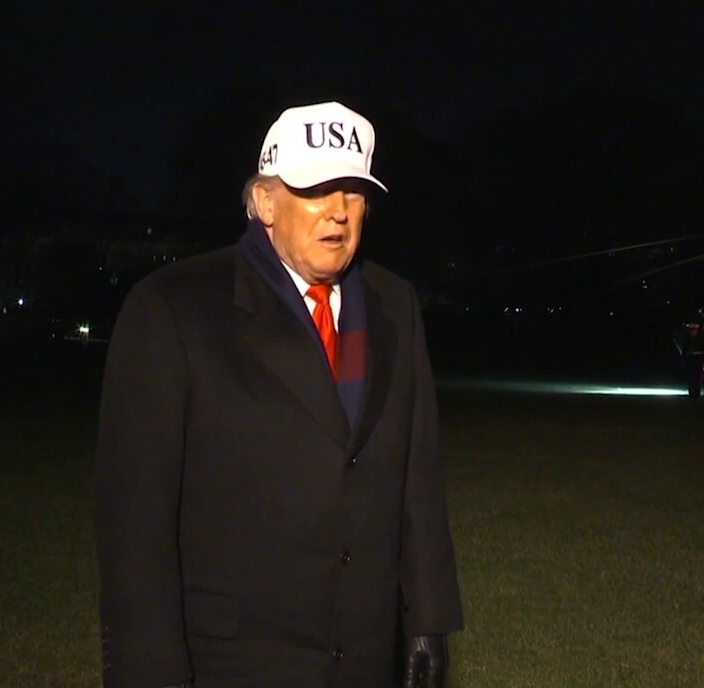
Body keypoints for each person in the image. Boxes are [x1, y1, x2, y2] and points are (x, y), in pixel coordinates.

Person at [94, 100, 464, 688]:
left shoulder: (393, 305)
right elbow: (135, 521)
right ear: (265, 202)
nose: (339, 212)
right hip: (233, 660)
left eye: (354, 193)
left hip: (365, 657)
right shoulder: (174, 308)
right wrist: (150, 670)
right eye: (317, 190)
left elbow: (416, 475)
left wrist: (428, 617)